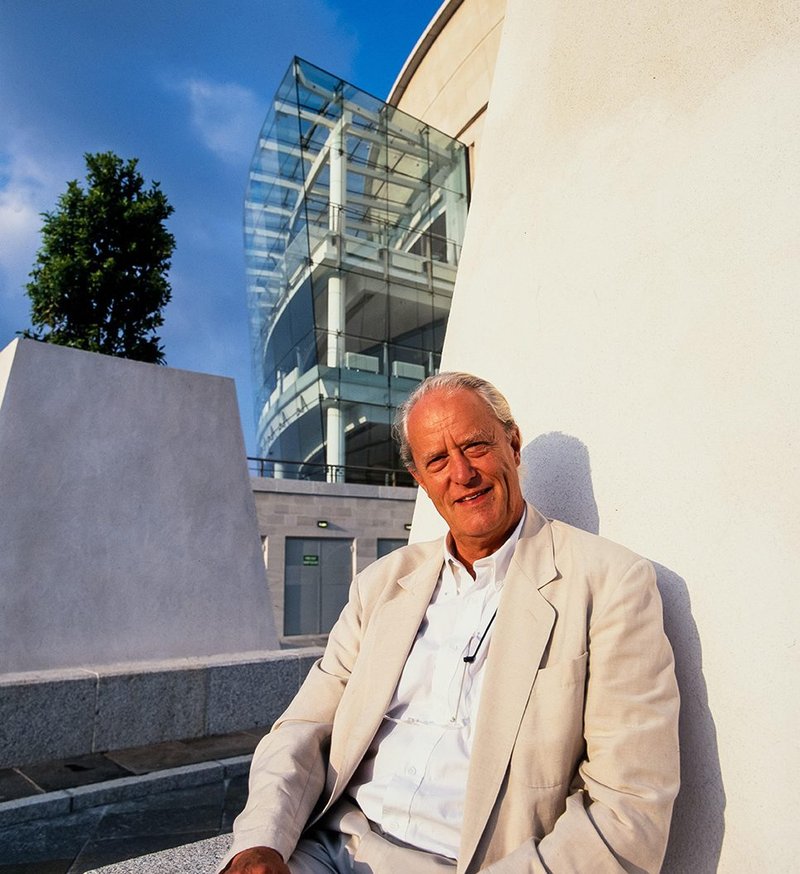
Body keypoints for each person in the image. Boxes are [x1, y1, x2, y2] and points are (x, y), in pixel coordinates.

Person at [218, 372, 680, 874]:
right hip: (333, 849)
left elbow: (630, 811)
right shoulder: (381, 587)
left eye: (475, 446)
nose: (461, 474)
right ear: (419, 478)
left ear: (514, 444)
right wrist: (260, 843)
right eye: (437, 460)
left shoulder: (610, 583)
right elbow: (303, 729)